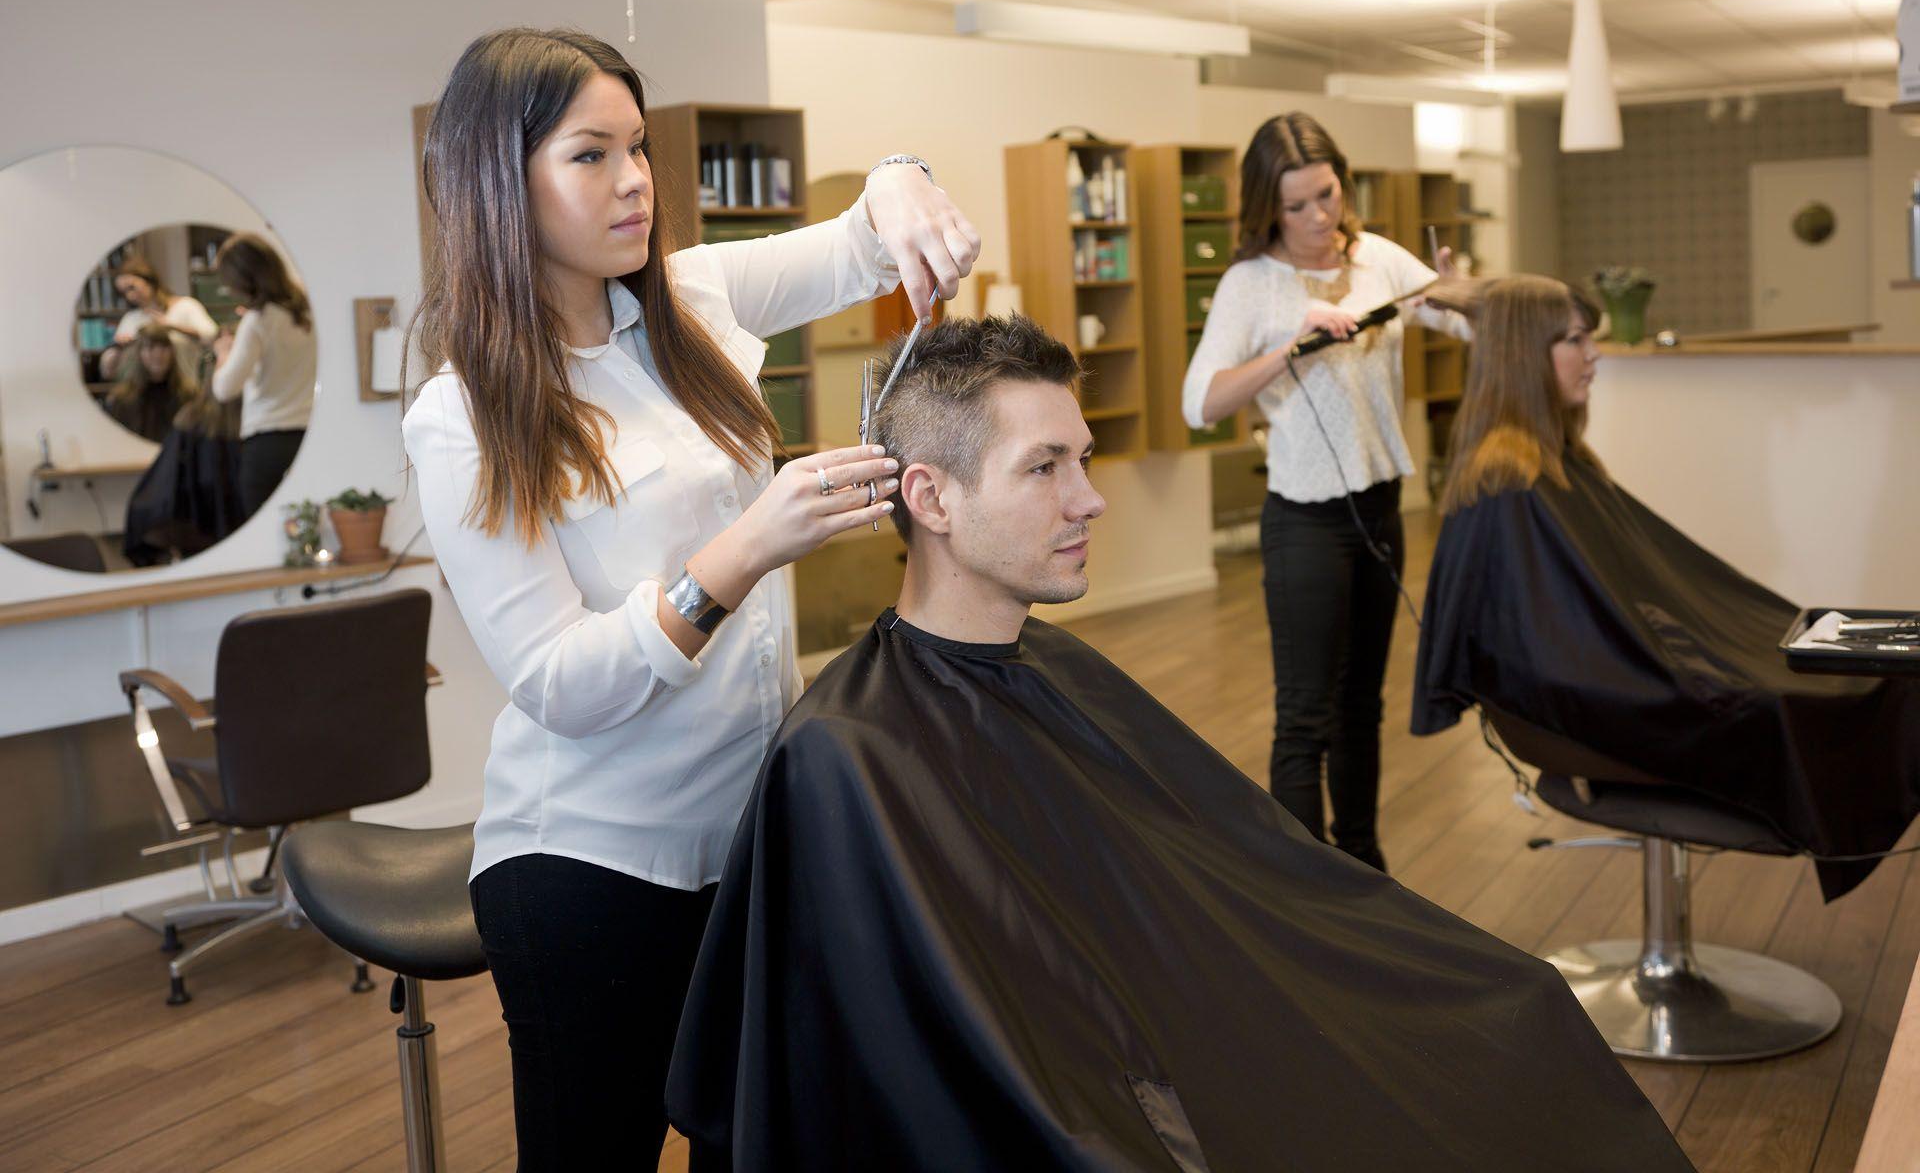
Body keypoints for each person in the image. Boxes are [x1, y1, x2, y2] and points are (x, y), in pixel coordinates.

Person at [666, 314, 1692, 1173]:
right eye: (1045, 468)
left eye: (1084, 460)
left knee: (1514, 1006)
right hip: (1104, 1098)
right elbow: (956, 1060)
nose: (1091, 498)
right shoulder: (850, 754)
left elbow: (1240, 877)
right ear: (930, 498)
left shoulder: (1052, 667)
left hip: (1191, 1025)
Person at [400, 27, 980, 1171]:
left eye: (638, 149)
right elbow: (559, 684)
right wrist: (746, 549)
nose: (632, 183)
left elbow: (868, 242)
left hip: (754, 841)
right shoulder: (462, 414)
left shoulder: (693, 297)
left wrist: (903, 178)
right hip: (590, 868)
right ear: (495, 183)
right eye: (588, 156)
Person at [1413, 276, 1920, 901]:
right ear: (1524, 354)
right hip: (1606, 710)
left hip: (1641, 682)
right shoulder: (1510, 483)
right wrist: (1703, 674)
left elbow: (1634, 603)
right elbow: (1554, 656)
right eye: (1575, 340)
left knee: (1866, 672)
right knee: (1795, 704)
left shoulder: (1559, 464)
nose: (1593, 355)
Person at [1181, 112, 1471, 872]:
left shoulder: (1379, 259)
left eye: (1327, 195)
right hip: (1303, 522)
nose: (1318, 219)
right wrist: (1290, 349)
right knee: (1304, 717)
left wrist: (1463, 287)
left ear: (1342, 182)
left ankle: (1365, 871)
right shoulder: (1251, 284)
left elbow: (1465, 325)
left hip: (1380, 510)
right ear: (1266, 207)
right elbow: (1200, 402)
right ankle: (1307, 889)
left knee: (1361, 709)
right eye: (1295, 206)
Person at [209, 231, 317, 519]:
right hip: (309, 435)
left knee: (265, 530)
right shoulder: (308, 311)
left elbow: (224, 389)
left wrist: (223, 353)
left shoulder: (257, 321)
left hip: (267, 443)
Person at [98, 254, 217, 378]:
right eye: (124, 292)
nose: (130, 296)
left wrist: (172, 326)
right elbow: (108, 370)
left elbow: (211, 335)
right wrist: (119, 347)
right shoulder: (131, 318)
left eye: (132, 287)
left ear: (149, 281)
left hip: (186, 384)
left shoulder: (186, 306)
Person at [104, 323, 200, 443]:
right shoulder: (121, 399)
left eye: (164, 347)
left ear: (172, 352)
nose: (158, 354)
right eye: (151, 347)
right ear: (140, 353)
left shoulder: (189, 395)